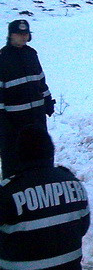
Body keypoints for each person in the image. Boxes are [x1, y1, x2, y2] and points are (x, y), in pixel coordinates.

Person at [0, 124, 90, 270]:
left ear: (19, 155)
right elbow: (82, 226)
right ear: (50, 152)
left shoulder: (8, 192)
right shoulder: (72, 183)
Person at [0, 20, 56, 178]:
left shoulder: (31, 54)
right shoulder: (3, 58)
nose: (23, 37)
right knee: (14, 155)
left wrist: (47, 101)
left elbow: (40, 80)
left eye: (26, 34)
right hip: (14, 121)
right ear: (11, 35)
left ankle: (44, 180)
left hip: (36, 116)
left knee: (41, 150)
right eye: (19, 34)